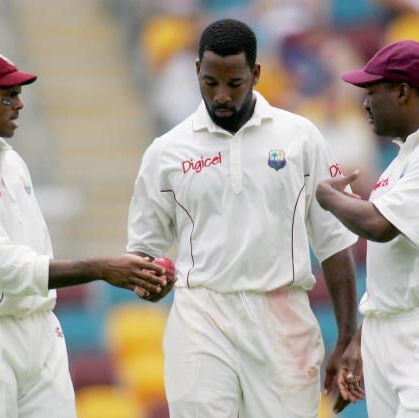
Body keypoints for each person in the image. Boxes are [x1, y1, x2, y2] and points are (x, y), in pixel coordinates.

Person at [127, 19, 358, 417]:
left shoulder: (300, 137)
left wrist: (346, 337)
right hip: (201, 315)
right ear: (196, 69)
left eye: (234, 83)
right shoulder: (166, 152)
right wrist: (148, 279)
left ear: (255, 73)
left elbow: (335, 243)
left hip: (282, 317)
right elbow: (144, 251)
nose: (220, 96)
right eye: (209, 81)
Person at [0, 50, 169, 418]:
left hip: (39, 329)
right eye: (8, 96)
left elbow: (35, 250)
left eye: (19, 94)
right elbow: (11, 270)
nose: (19, 104)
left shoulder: (12, 161)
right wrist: (103, 269)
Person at [315, 40, 419, 417]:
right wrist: (365, 336)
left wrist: (326, 197)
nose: (364, 103)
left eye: (372, 92)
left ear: (403, 92)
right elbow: (396, 261)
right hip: (393, 330)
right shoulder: (404, 159)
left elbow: (381, 227)